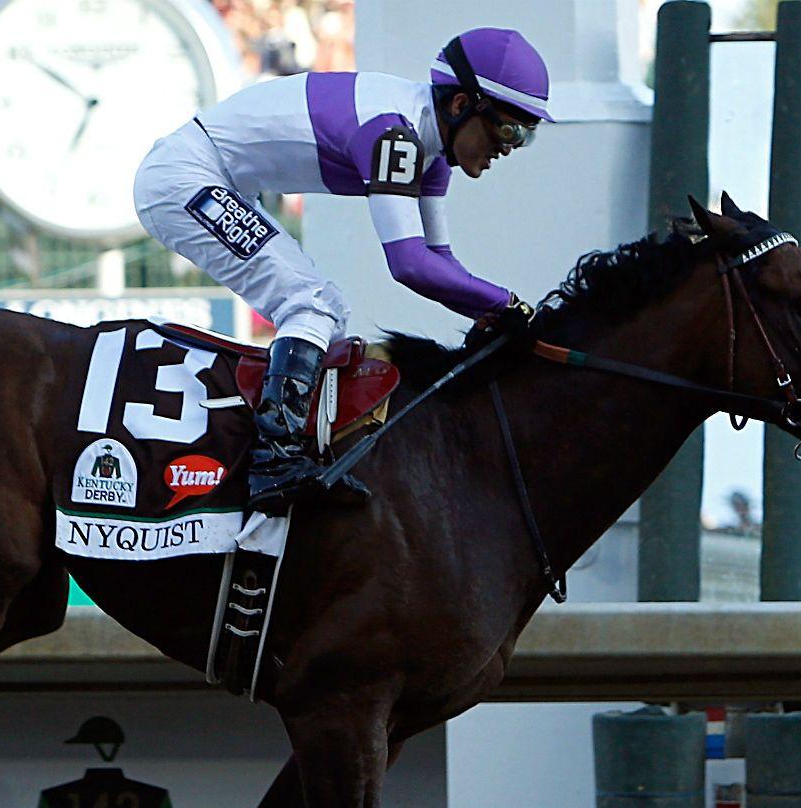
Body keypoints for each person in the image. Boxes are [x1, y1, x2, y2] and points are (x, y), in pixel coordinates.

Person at [133, 27, 551, 512]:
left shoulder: (431, 153)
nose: (510, 147)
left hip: (215, 177)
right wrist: (506, 303)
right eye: (509, 130)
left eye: (527, 137)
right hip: (185, 176)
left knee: (323, 311)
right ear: (461, 104)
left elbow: (439, 262)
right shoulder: (395, 134)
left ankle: (290, 449)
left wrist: (492, 313)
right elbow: (409, 265)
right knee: (313, 303)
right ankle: (273, 461)